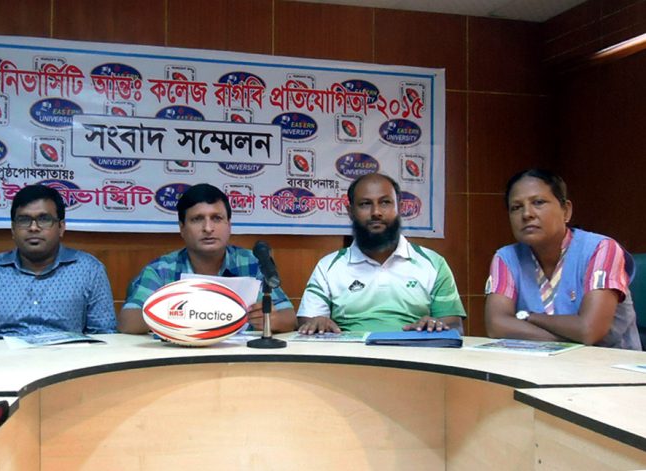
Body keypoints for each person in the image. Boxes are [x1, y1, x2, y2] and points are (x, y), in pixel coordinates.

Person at [0, 185, 115, 345]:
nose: (33, 227)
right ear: (13, 229)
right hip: (0, 370)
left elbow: (105, 334)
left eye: (44, 219)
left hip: (64, 372)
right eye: (24, 220)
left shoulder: (88, 269)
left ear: (61, 227)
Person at [484, 169, 640, 350]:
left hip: (609, 370)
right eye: (516, 207)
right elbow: (496, 325)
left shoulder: (602, 249)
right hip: (537, 370)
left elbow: (589, 330)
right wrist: (569, 339)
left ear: (566, 211)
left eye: (538, 202)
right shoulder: (506, 258)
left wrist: (529, 316)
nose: (527, 214)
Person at [297, 173, 465, 334]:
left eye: (385, 202)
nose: (376, 212)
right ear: (350, 211)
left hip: (414, 357)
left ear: (400, 207)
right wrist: (318, 322)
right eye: (365, 204)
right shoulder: (328, 267)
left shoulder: (434, 263)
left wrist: (436, 326)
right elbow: (307, 324)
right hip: (350, 359)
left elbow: (455, 327)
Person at [120, 183, 296, 334]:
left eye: (217, 218)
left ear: (229, 225)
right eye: (197, 219)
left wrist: (273, 320)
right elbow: (128, 321)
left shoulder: (252, 263)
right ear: (182, 228)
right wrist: (174, 313)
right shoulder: (162, 269)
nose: (208, 228)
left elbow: (289, 316)